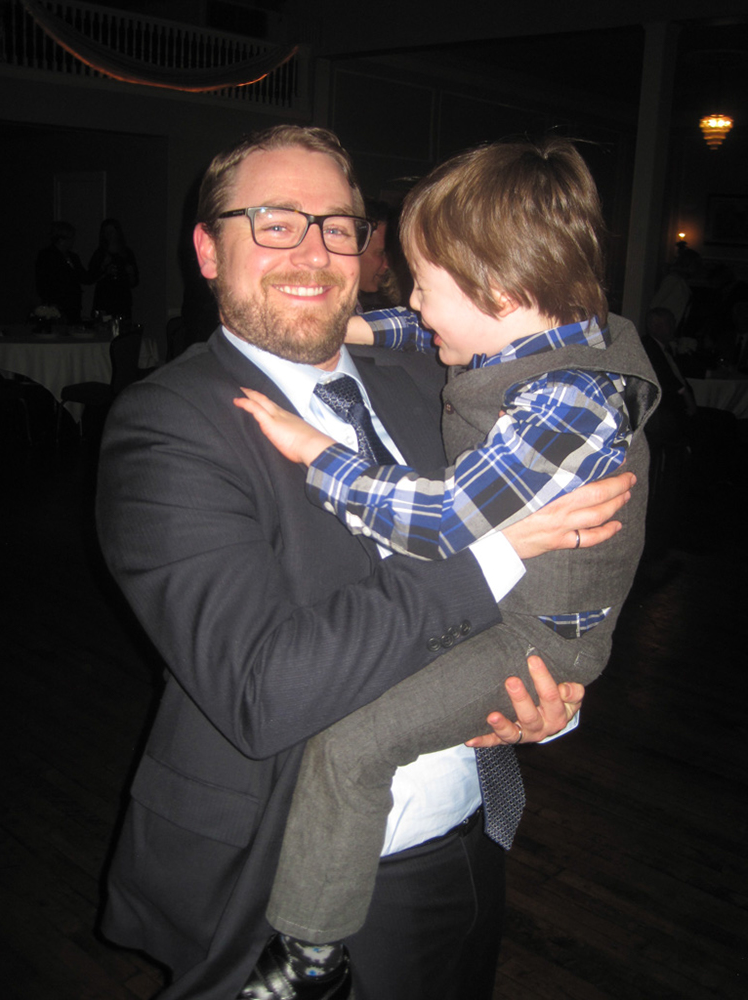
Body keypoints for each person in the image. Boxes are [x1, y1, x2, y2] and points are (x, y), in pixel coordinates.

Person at [96, 125, 636, 1000]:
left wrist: (545, 702)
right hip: (284, 877)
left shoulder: (442, 378)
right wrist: (495, 555)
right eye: (275, 222)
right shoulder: (170, 426)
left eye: (338, 226)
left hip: (469, 839)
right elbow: (264, 690)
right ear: (208, 250)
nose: (312, 251)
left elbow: (561, 570)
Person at [234, 137, 660, 994]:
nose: (411, 301)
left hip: (535, 637)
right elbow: (430, 333)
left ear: (498, 288)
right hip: (510, 618)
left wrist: (316, 452)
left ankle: (311, 952)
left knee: (352, 747)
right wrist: (348, 325)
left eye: (425, 285)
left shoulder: (570, 403)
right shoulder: (535, 337)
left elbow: (439, 524)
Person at [34, 220, 87, 322]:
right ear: (61, 240)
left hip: (73, 306)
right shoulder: (47, 256)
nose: (73, 241)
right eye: (71, 238)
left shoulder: (73, 257)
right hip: (55, 307)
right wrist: (51, 303)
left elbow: (84, 277)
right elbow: (43, 282)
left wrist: (102, 269)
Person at [88, 217, 139, 319]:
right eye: (106, 232)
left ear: (117, 232)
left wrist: (131, 273)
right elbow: (90, 277)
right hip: (104, 301)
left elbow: (134, 282)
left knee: (123, 326)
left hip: (122, 301)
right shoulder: (100, 253)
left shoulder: (127, 253)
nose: (109, 235)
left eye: (111, 232)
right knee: (104, 325)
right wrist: (104, 268)